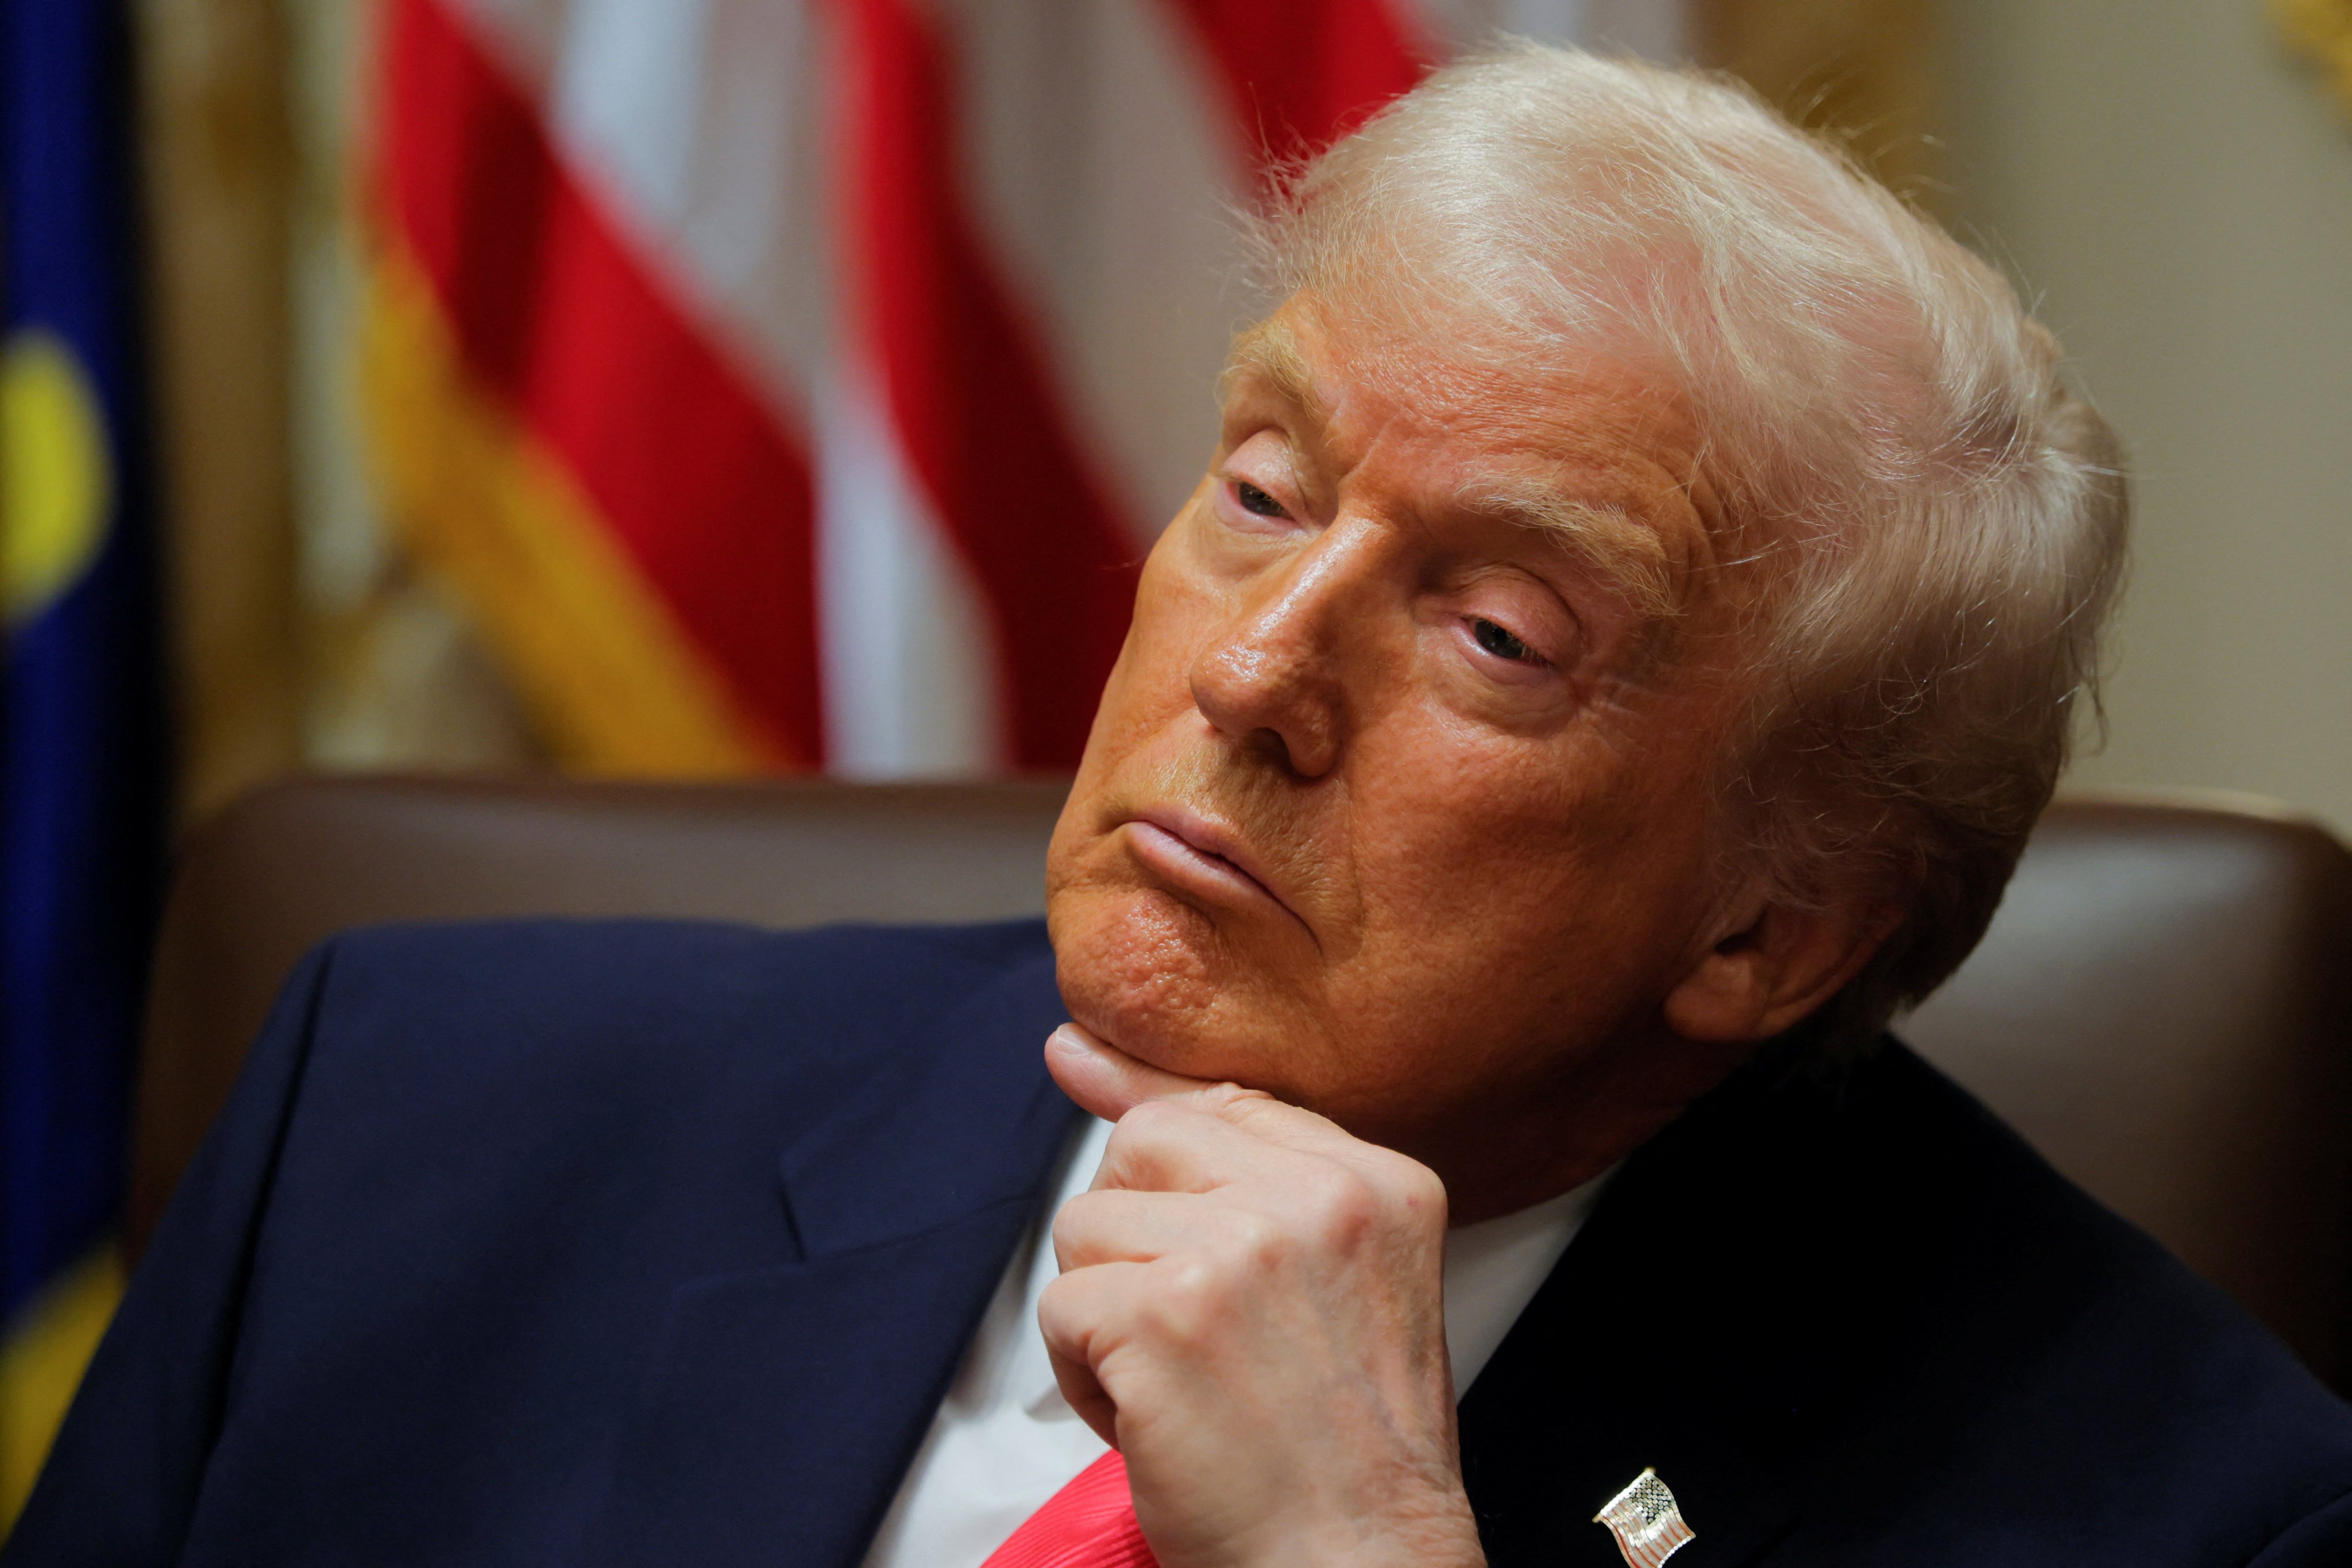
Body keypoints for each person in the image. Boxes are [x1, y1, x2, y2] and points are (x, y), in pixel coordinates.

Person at [11, 43, 2352, 1568]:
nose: (1247, 668)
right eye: (1261, 482)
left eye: (1497, 632)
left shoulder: (2173, 1510)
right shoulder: (409, 1125)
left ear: (1769, 923)